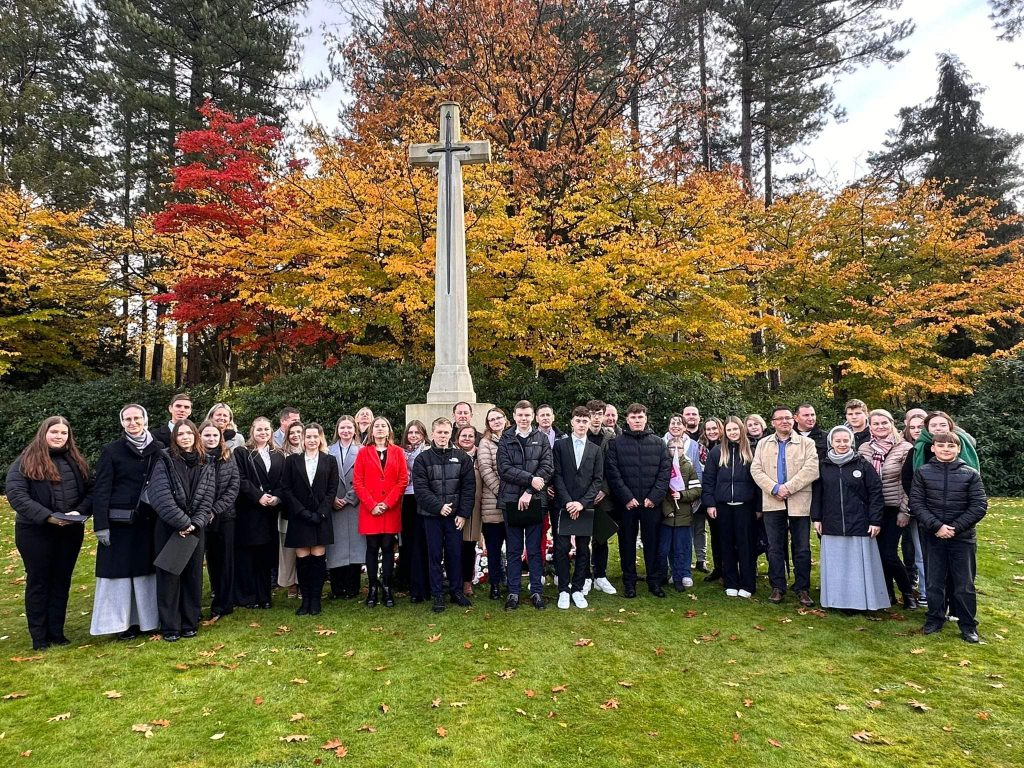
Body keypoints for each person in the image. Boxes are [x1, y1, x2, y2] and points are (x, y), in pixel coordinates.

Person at [7, 417, 92, 650]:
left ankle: (57, 632)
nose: (59, 436)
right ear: (44, 433)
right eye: (54, 431)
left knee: (61, 580)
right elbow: (17, 494)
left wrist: (79, 511)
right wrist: (47, 516)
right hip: (35, 531)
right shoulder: (25, 461)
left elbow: (91, 491)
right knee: (39, 580)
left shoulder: (76, 461)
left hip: (70, 530)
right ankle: (39, 636)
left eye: (64, 433)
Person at [90, 405, 163, 639]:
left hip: (149, 521)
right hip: (119, 523)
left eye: (137, 418)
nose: (133, 423)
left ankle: (146, 621)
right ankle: (119, 624)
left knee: (145, 573)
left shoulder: (159, 450)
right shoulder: (111, 451)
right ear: (122, 423)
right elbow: (101, 489)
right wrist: (101, 524)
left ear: (146, 420)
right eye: (128, 419)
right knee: (119, 575)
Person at [910, 432, 987, 643]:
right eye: (941, 445)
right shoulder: (923, 473)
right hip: (933, 536)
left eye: (950, 446)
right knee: (935, 582)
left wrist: (954, 527)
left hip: (962, 538)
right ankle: (934, 619)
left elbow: (979, 506)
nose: (946, 449)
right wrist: (937, 526)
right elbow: (916, 503)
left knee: (964, 584)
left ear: (958, 449)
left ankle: (968, 625)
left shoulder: (970, 474)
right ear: (933, 448)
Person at [148, 420, 215, 641]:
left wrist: (195, 523)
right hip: (170, 527)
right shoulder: (164, 460)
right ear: (174, 437)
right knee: (169, 577)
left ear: (196, 436)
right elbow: (160, 495)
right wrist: (182, 522)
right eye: (180, 433)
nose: (185, 437)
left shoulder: (206, 461)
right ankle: (170, 626)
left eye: (189, 433)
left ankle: (189, 621)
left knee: (193, 575)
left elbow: (207, 497)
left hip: (196, 527)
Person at [811, 426, 888, 613]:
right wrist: (817, 518)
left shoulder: (862, 464)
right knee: (837, 565)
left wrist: (875, 520)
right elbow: (817, 494)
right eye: (838, 441)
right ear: (831, 443)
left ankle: (860, 602)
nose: (842, 444)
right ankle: (837, 600)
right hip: (832, 522)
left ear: (851, 442)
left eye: (846, 441)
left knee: (857, 566)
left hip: (859, 522)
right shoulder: (824, 465)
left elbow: (875, 493)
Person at [750, 406, 820, 607]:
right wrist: (774, 488)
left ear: (794, 420)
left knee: (802, 547)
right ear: (772, 422)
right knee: (774, 547)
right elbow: (756, 469)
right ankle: (777, 586)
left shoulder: (807, 443)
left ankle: (802, 588)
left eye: (788, 418)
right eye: (779, 419)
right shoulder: (763, 444)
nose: (784, 422)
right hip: (772, 501)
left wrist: (788, 488)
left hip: (799, 500)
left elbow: (811, 470)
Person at [604, 403, 671, 598]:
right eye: (633, 418)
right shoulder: (616, 444)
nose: (637, 421)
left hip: (651, 503)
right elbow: (613, 473)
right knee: (627, 543)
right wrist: (627, 497)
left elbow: (664, 473)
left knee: (652, 543)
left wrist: (654, 497)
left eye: (640, 417)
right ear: (627, 420)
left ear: (646, 419)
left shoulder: (659, 443)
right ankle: (629, 582)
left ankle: (654, 581)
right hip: (627, 504)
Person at [414, 418, 476, 612]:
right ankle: (438, 594)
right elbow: (421, 490)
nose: (442, 436)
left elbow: (468, 489)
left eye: (446, 433)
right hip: (431, 516)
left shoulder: (462, 457)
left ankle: (456, 591)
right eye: (439, 432)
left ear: (451, 433)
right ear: (433, 434)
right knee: (434, 556)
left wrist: (463, 514)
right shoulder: (422, 459)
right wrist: (439, 507)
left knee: (455, 554)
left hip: (455, 517)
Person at [497, 400, 553, 610]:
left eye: (528, 415)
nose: (524, 419)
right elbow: (504, 468)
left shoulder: (542, 438)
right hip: (510, 501)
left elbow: (547, 467)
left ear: (533, 417)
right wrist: (530, 480)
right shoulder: (506, 438)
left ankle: (536, 591)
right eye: (520, 415)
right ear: (514, 416)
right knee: (513, 550)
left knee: (534, 550)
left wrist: (530, 491)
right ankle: (513, 592)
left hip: (535, 501)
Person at [859, 409, 916, 609]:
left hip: (894, 508)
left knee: (889, 553)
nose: (880, 427)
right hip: (871, 510)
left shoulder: (905, 448)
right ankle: (887, 594)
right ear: (870, 426)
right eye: (875, 423)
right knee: (877, 553)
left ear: (891, 423)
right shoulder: (864, 448)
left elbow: (909, 482)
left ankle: (907, 593)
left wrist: (905, 510)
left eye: (884, 422)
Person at [281, 423, 339, 616]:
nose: (312, 440)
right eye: (308, 437)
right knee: (303, 560)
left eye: (316, 436)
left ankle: (316, 600)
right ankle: (304, 600)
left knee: (318, 559)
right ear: (303, 439)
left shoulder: (329, 460)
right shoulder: (292, 461)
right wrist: (302, 512)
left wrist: (321, 512)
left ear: (321, 438)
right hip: (300, 517)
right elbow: (286, 488)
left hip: (321, 517)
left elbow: (332, 489)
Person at [551, 407, 605, 609]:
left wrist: (581, 503)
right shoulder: (560, 446)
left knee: (584, 548)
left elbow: (597, 480)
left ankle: (578, 588)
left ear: (589, 423)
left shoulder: (595, 450)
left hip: (585, 506)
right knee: (562, 547)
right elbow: (556, 476)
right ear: (572, 422)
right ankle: (563, 589)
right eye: (578, 420)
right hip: (564, 505)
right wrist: (568, 502)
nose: (582, 424)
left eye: (585, 421)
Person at [353, 417, 407, 608]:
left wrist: (387, 503)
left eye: (383, 426)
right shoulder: (363, 453)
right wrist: (372, 504)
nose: (380, 429)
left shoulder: (398, 452)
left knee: (387, 548)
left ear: (389, 430)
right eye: (377, 426)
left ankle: (387, 588)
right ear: (372, 431)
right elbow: (358, 482)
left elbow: (403, 480)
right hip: (370, 510)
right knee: (372, 548)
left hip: (389, 509)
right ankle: (373, 589)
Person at [702, 417, 759, 598]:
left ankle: (748, 584)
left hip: (746, 507)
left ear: (741, 430)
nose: (732, 432)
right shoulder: (717, 452)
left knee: (746, 546)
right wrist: (710, 503)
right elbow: (709, 480)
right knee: (726, 545)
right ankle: (730, 581)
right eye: (729, 430)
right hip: (723, 506)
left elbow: (758, 482)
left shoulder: (751, 452)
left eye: (735, 429)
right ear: (724, 432)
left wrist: (759, 507)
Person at [233, 418, 284, 609]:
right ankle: (248, 596)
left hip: (270, 512)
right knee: (248, 556)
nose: (263, 433)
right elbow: (240, 478)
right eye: (259, 429)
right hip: (249, 511)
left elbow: (283, 481)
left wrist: (277, 498)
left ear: (271, 432)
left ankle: (264, 596)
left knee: (265, 556)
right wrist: (258, 496)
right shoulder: (242, 453)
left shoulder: (278, 454)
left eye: (266, 429)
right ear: (252, 431)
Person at [200, 420, 240, 619]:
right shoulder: (196, 458)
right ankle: (209, 596)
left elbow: (234, 486)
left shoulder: (227, 456)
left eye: (215, 435)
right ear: (200, 436)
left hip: (224, 517)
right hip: (200, 517)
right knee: (208, 559)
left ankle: (225, 602)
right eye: (207, 435)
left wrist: (215, 509)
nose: (212, 438)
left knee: (225, 560)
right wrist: (204, 511)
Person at [659, 421, 701, 593]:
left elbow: (697, 489)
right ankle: (661, 575)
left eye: (679, 448)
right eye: (672, 448)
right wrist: (667, 509)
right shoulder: (662, 466)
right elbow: (659, 491)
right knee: (663, 549)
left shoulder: (688, 467)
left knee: (681, 549)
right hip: (666, 518)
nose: (676, 452)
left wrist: (682, 495)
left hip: (684, 516)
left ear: (684, 449)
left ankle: (679, 577)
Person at [326, 416, 365, 600]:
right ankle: (337, 587)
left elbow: (364, 478)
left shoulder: (362, 451)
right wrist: (332, 498)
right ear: (337, 430)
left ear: (355, 430)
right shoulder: (327, 451)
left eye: (349, 427)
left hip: (354, 504)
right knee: (336, 547)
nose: (346, 431)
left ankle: (352, 587)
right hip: (334, 504)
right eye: (342, 427)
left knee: (354, 547)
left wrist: (350, 497)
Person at [585, 400, 617, 596]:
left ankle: (601, 575)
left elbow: (613, 466)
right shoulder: (578, 435)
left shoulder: (611, 437)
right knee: (582, 538)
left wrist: (604, 490)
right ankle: (586, 576)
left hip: (603, 496)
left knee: (601, 537)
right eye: (593, 414)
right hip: (583, 495)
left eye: (599, 414)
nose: (596, 417)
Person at [477, 408, 509, 601]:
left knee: (513, 547)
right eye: (492, 420)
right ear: (488, 424)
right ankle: (495, 585)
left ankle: (511, 583)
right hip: (493, 504)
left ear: (505, 420)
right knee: (494, 549)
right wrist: (503, 493)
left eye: (499, 418)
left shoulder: (513, 438)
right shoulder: (485, 443)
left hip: (513, 504)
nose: (496, 422)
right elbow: (486, 470)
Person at [397, 420, 430, 603]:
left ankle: (423, 584)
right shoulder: (401, 452)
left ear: (423, 434)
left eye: (417, 432)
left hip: (422, 498)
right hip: (406, 499)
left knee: (422, 542)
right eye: (411, 432)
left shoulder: (427, 451)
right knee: (408, 542)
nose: (414, 435)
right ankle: (409, 581)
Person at [901, 412, 928, 602]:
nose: (917, 430)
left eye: (921, 427)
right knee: (919, 553)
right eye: (913, 427)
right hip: (918, 509)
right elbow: (907, 480)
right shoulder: (912, 451)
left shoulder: (941, 447)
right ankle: (926, 592)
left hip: (944, 510)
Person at [277, 421, 305, 599]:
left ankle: (303, 582)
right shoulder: (280, 455)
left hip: (306, 509)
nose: (295, 435)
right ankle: (291, 584)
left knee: (305, 547)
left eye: (298, 432)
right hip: (288, 508)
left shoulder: (313, 452)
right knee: (287, 549)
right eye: (291, 433)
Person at [456, 424, 484, 596]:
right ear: (457, 438)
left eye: (470, 436)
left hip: (474, 507)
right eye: (463, 435)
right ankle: (454, 579)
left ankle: (467, 581)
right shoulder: (452, 455)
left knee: (469, 545)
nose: (467, 438)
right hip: (454, 507)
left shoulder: (481, 456)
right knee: (453, 545)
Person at [697, 417, 725, 581]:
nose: (712, 432)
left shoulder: (728, 446)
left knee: (728, 535)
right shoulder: (702, 448)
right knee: (715, 535)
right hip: (710, 497)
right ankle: (718, 568)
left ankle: (730, 567)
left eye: (714, 428)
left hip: (726, 497)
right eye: (708, 429)